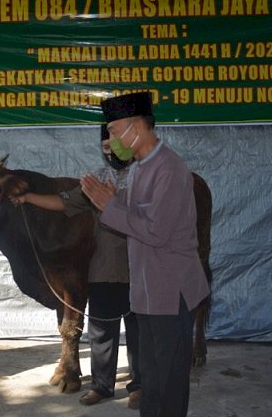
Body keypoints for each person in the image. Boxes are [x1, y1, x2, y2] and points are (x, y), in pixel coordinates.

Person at [80, 92, 210, 417]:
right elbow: (137, 220)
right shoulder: (139, 168)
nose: (110, 140)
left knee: (169, 381)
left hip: (171, 291)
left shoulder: (169, 169)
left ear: (136, 126)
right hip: (147, 292)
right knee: (150, 379)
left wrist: (110, 207)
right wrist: (115, 203)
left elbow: (156, 231)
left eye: (113, 130)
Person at [10, 124, 141, 409]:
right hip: (104, 268)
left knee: (138, 331)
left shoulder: (147, 177)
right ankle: (102, 387)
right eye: (105, 142)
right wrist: (28, 198)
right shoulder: (97, 178)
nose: (110, 146)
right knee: (102, 332)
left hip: (140, 267)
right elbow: (64, 201)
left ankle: (139, 386)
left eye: (115, 140)